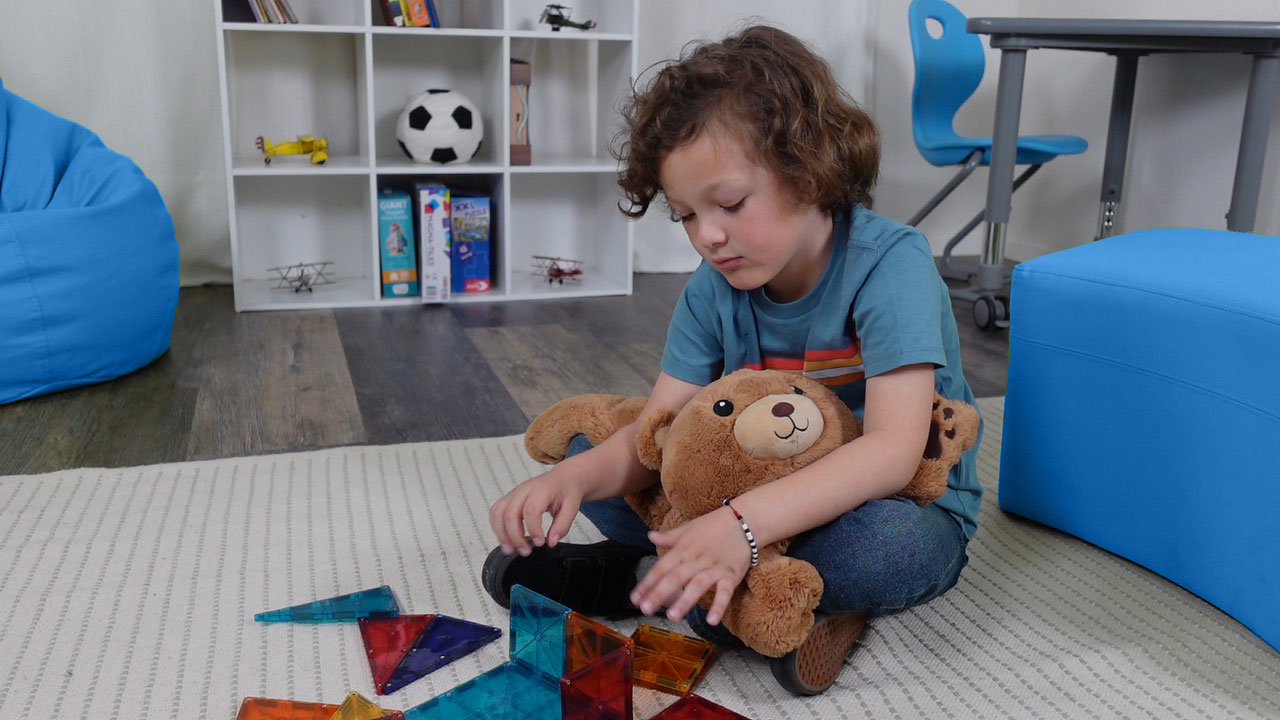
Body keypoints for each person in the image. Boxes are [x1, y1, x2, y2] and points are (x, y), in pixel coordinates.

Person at [481, 24, 982, 696]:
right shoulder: (711, 289)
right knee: (588, 445)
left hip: (884, 506)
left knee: (885, 550)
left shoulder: (890, 264)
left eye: (730, 204)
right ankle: (699, 579)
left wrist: (741, 529)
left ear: (809, 169)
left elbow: (894, 452)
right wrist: (575, 479)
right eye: (685, 215)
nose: (708, 235)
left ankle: (655, 578)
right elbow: (660, 435)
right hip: (739, 502)